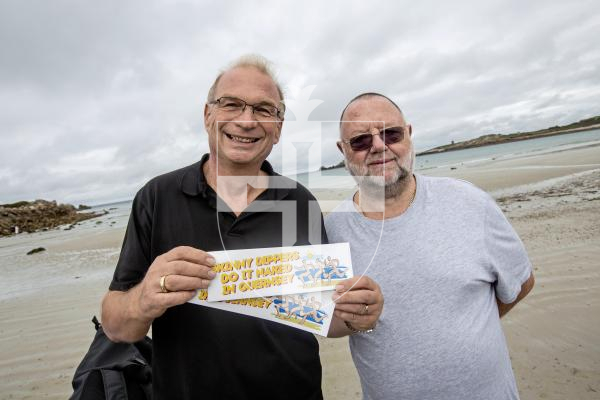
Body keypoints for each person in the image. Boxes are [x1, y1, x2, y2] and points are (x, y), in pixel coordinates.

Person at [100, 56, 383, 399]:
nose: (247, 120)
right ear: (208, 116)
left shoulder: (300, 202)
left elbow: (325, 317)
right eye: (231, 104)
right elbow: (116, 327)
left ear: (278, 128)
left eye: (264, 109)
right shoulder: (156, 197)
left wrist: (356, 317)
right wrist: (143, 299)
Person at [325, 92, 535, 400]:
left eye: (390, 134)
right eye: (360, 141)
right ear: (343, 150)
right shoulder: (332, 230)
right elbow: (328, 322)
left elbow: (521, 284)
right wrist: (356, 321)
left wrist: (467, 327)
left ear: (408, 135)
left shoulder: (470, 202)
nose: (379, 146)